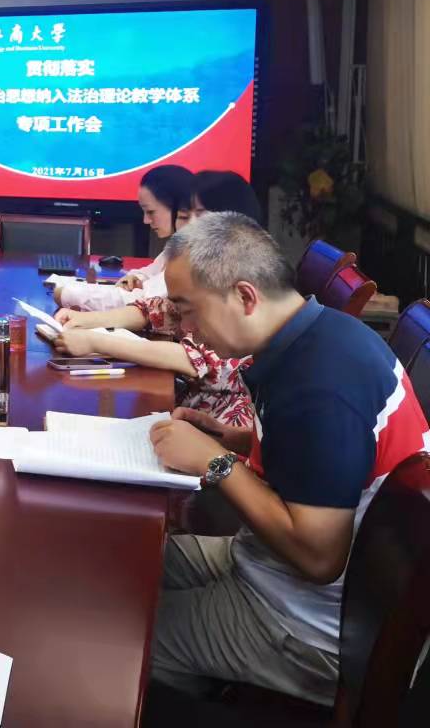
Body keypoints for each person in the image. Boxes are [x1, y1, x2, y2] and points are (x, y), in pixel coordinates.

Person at [145, 214, 430, 704]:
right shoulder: (317, 334)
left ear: (245, 296)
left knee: (122, 636)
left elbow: (319, 557)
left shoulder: (321, 386)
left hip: (309, 623)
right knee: (131, 568)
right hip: (266, 564)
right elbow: (309, 456)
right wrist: (234, 440)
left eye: (188, 311)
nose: (188, 331)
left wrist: (216, 462)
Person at [52, 181, 264, 427]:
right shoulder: (195, 269)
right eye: (183, 217)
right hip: (183, 412)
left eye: (201, 216)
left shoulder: (239, 283)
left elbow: (195, 359)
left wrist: (95, 342)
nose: (190, 226)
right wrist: (86, 320)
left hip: (219, 429)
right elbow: (155, 310)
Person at [54, 164, 194, 312]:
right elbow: (151, 272)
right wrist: (136, 278)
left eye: (151, 212)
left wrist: (67, 293)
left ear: (179, 208)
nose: (146, 220)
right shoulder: (181, 241)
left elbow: (143, 304)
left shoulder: (197, 252)